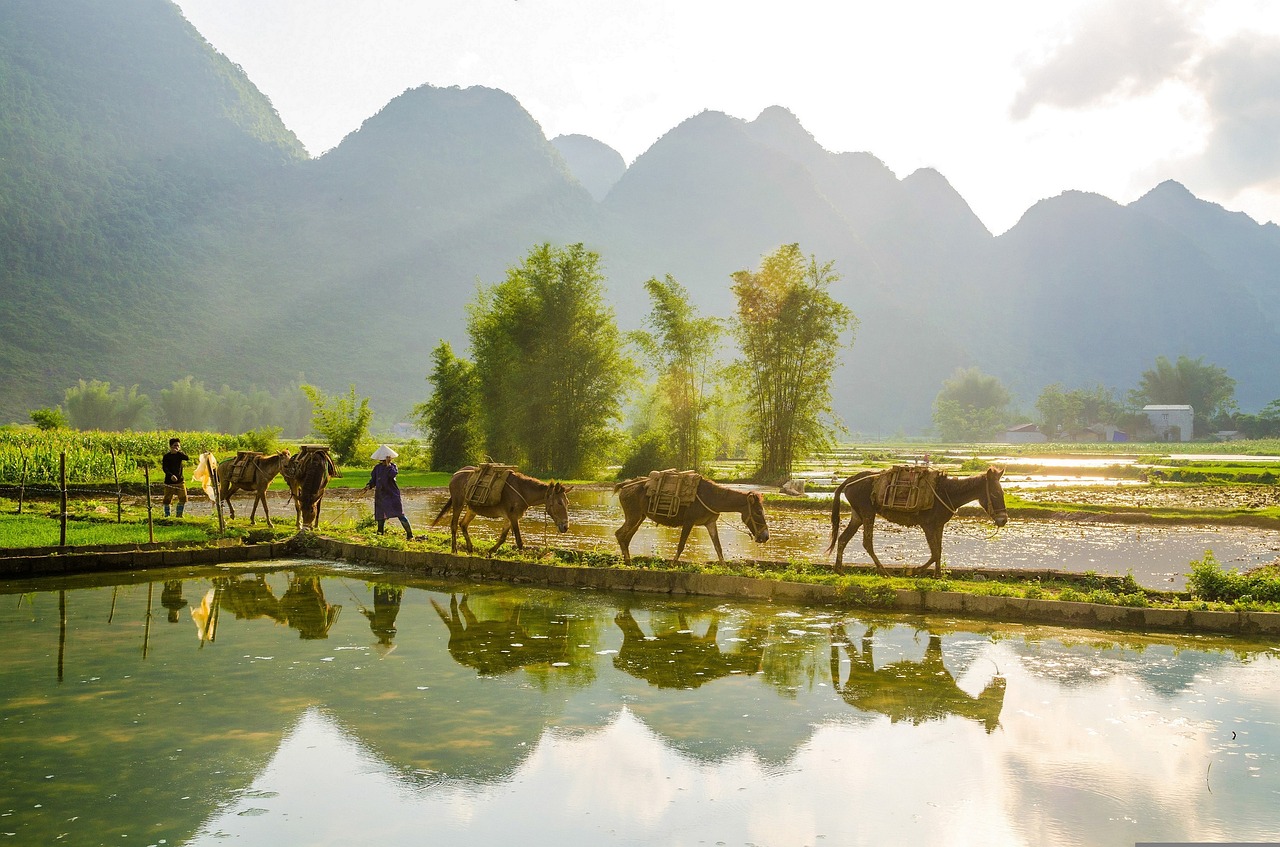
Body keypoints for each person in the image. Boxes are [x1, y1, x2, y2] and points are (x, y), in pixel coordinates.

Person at [365, 444, 413, 539]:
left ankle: (410, 535)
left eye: (386, 459)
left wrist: (388, 465)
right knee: (380, 516)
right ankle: (380, 535)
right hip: (381, 495)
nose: (384, 461)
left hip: (392, 494)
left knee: (400, 515)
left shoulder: (393, 467)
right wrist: (369, 485)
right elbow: (374, 480)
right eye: (383, 460)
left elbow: (393, 475)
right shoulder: (377, 468)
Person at [161, 437, 191, 517]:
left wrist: (179, 452)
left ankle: (179, 515)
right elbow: (165, 468)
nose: (176, 447)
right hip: (169, 481)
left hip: (180, 481)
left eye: (178, 446)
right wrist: (171, 475)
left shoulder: (179, 455)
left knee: (183, 498)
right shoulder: (166, 456)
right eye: (175, 446)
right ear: (170, 446)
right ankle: (167, 515)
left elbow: (187, 458)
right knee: (167, 500)